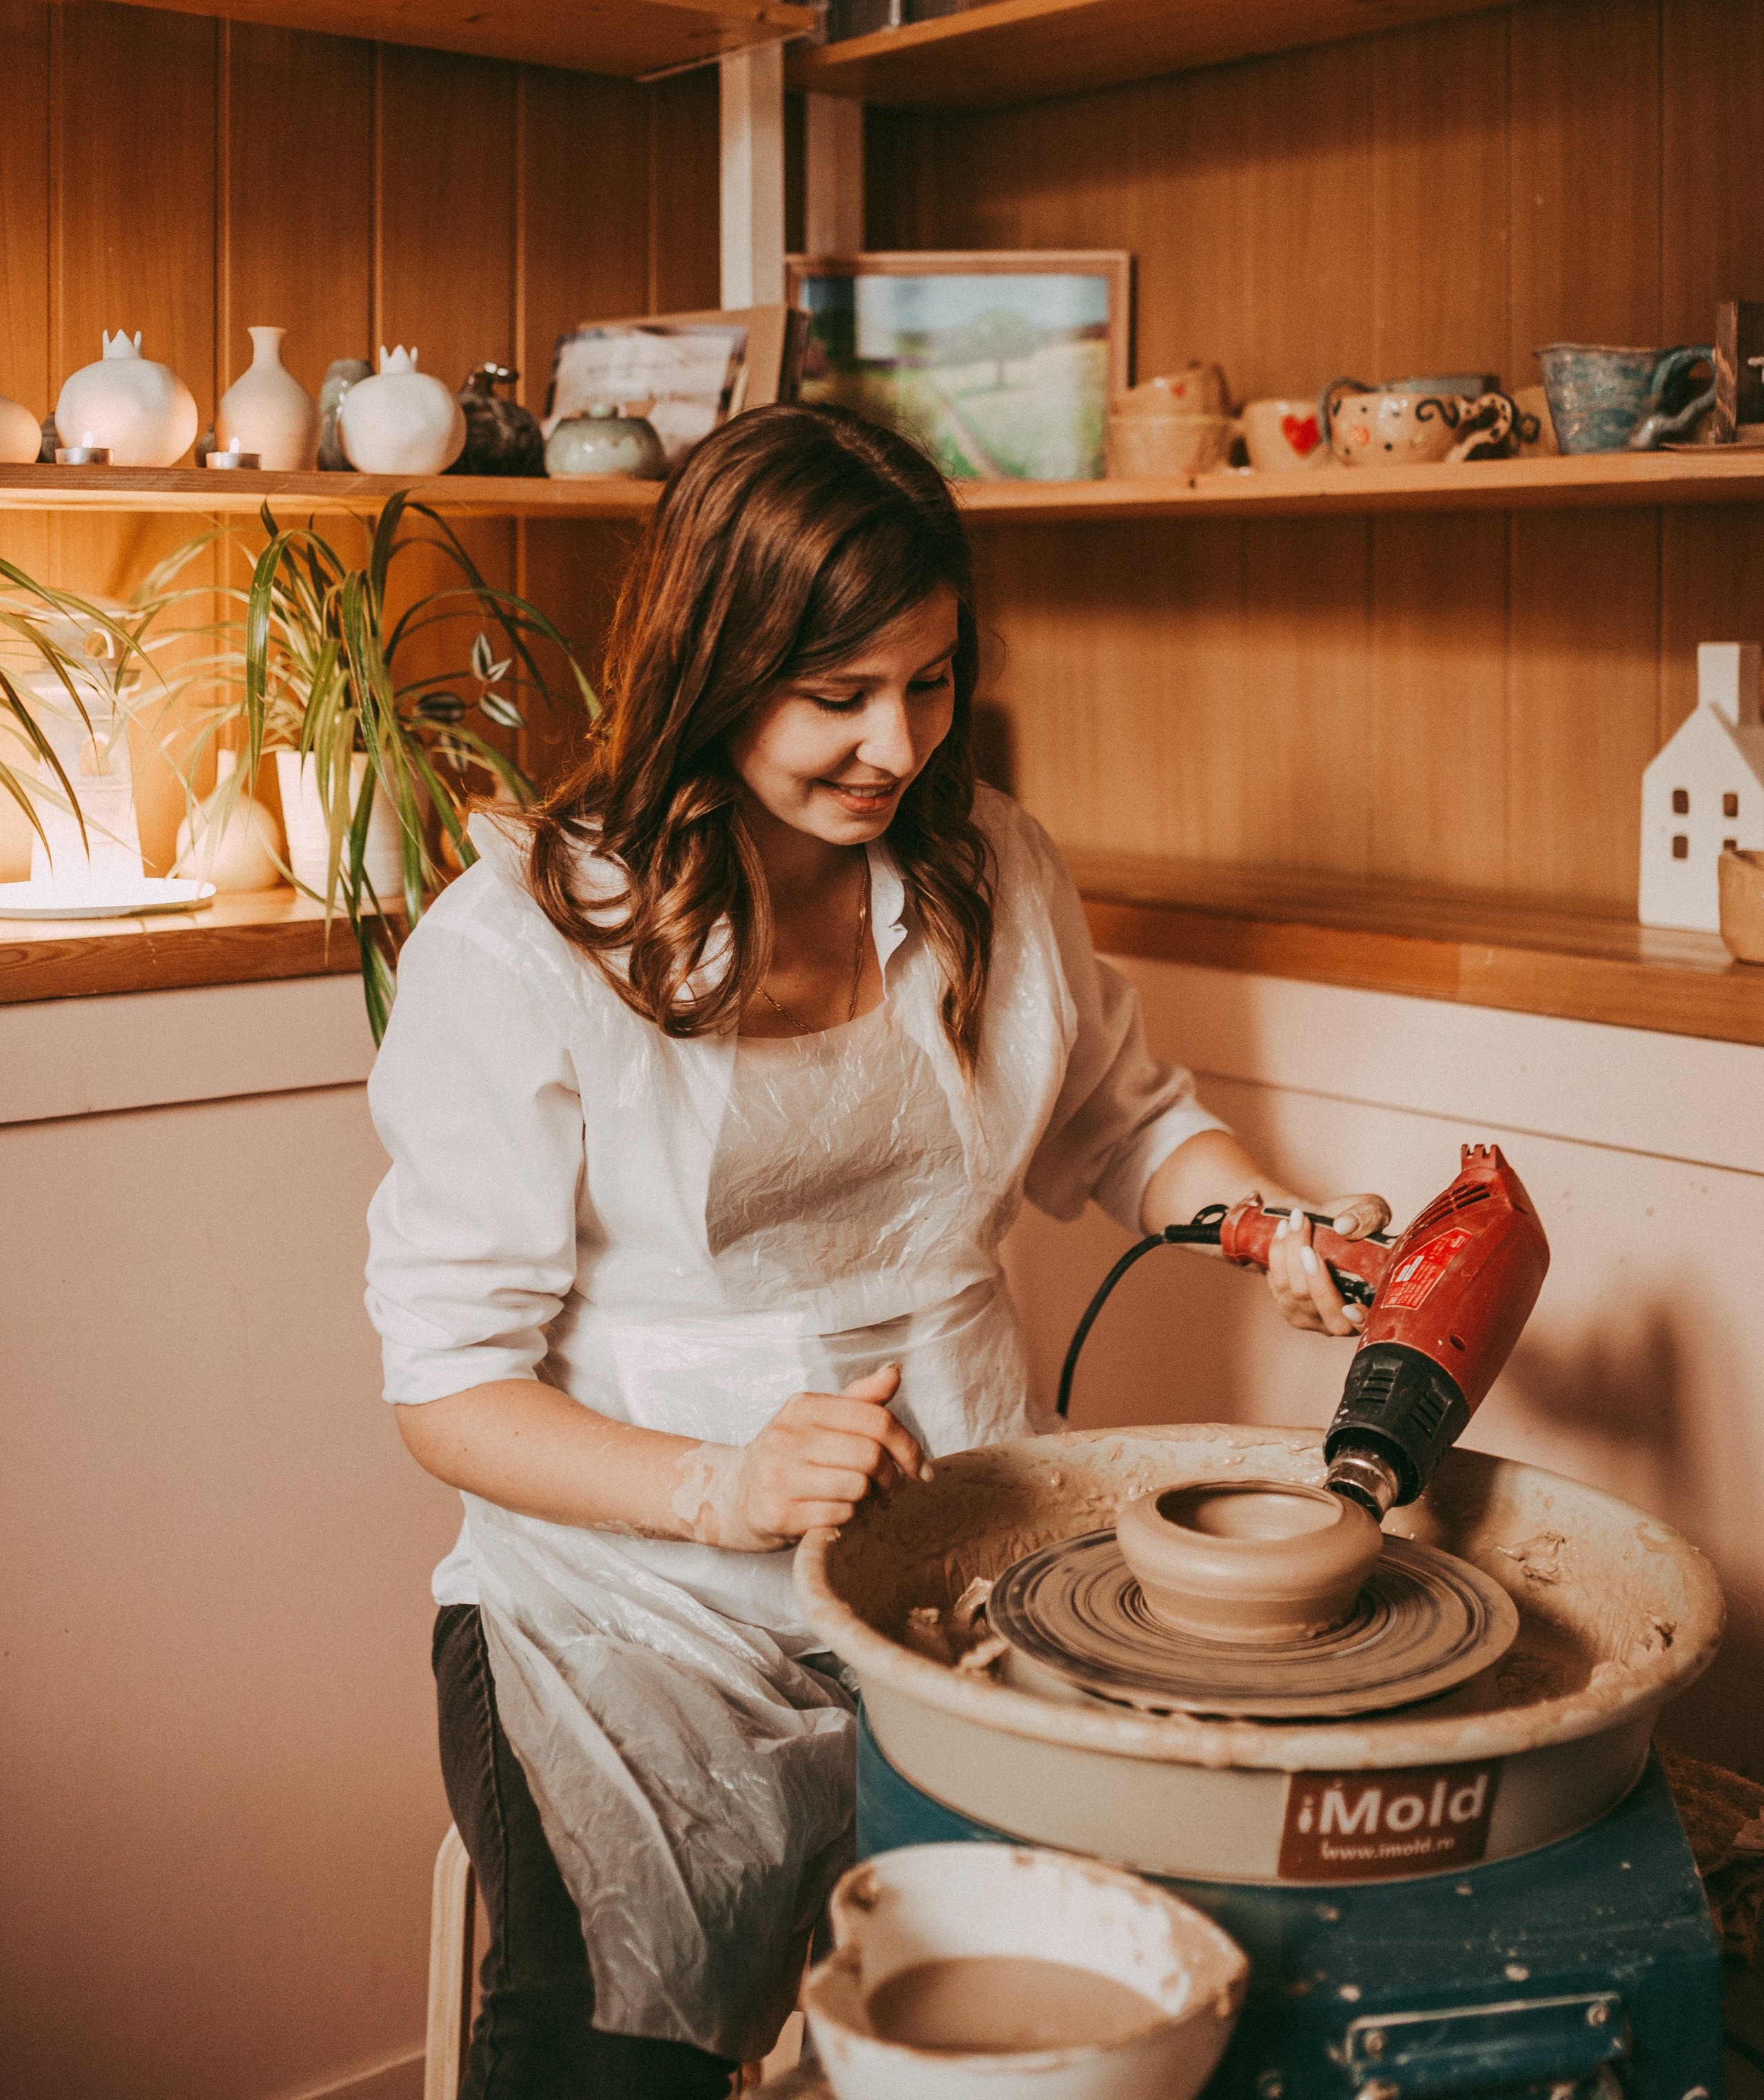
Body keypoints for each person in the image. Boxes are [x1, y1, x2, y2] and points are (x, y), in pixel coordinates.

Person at [365, 404, 1387, 2095]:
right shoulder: (528, 944)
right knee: (606, 2048)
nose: (892, 743)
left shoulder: (988, 869)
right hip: (626, 1609)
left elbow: (1123, 1124)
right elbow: (446, 1393)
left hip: (962, 1569)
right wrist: (720, 1488)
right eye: (832, 695)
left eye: (924, 681)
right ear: (712, 659)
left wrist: (1263, 1220)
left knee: (1102, 2007)